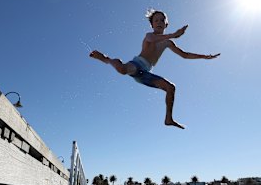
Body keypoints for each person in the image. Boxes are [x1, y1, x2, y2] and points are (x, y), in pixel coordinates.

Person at [90, 9, 220, 129]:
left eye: (162, 20)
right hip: (136, 64)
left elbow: (184, 55)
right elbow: (153, 39)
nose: (159, 22)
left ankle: (168, 119)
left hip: (146, 74)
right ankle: (106, 59)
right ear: (152, 25)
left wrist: (204, 57)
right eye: (156, 20)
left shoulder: (168, 42)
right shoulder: (149, 35)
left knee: (171, 88)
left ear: (166, 24)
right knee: (123, 69)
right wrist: (173, 34)